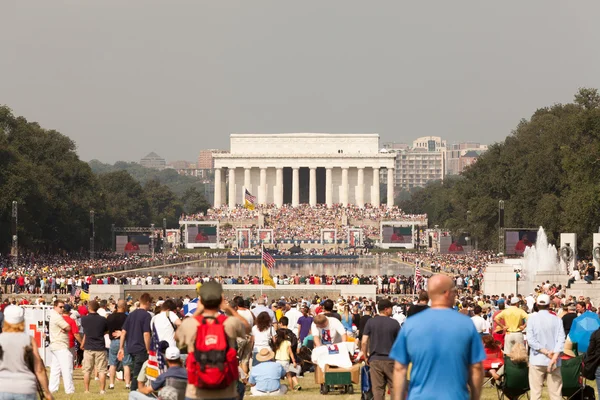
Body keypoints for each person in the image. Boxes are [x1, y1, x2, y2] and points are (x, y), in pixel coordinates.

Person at [390, 275, 485, 400]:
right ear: (447, 293)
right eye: (454, 292)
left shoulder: (411, 325)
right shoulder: (466, 324)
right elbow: (476, 368)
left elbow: (399, 368)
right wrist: (475, 397)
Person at [175, 281, 250, 400]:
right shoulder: (229, 323)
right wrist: (228, 308)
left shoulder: (192, 324)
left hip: (196, 391)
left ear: (201, 301)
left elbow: (177, 337)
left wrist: (198, 310)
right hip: (225, 390)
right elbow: (247, 326)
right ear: (220, 299)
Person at [0, 305, 53, 400]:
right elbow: (39, 369)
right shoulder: (29, 340)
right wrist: (47, 392)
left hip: (3, 386)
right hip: (25, 386)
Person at [526, 294, 565, 400]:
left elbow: (531, 341)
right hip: (554, 359)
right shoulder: (557, 320)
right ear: (549, 305)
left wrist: (546, 352)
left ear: (537, 305)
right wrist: (554, 355)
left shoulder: (532, 319)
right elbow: (561, 340)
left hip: (537, 359)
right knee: (556, 394)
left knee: (535, 394)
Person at [361, 299, 400, 400]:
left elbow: (364, 341)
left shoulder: (370, 322)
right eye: (391, 308)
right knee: (394, 388)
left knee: (378, 389)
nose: (392, 311)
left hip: (375, 359)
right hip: (391, 359)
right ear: (386, 309)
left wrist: (365, 357)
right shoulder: (394, 323)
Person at [119, 293, 152, 391]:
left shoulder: (131, 315)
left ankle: (137, 389)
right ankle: (134, 390)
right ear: (147, 302)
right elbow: (146, 334)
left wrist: (121, 347)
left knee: (135, 369)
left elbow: (123, 332)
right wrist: (148, 349)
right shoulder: (146, 315)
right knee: (139, 372)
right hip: (141, 347)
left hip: (130, 347)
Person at [81, 300, 109, 394]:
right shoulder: (103, 320)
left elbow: (85, 331)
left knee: (87, 370)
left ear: (89, 308)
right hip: (100, 346)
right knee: (102, 370)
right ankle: (102, 389)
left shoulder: (84, 319)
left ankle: (86, 389)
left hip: (88, 346)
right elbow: (106, 331)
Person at [48, 299, 74, 395]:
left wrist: (65, 328)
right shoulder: (57, 317)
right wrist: (66, 329)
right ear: (55, 307)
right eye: (60, 307)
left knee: (55, 369)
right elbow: (68, 327)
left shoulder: (55, 315)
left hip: (56, 345)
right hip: (60, 345)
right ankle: (69, 390)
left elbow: (66, 327)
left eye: (63, 307)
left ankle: (52, 388)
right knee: (67, 368)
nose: (62, 309)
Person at [107, 299, 132, 390]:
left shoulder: (110, 317)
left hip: (113, 341)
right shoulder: (128, 317)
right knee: (126, 364)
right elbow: (130, 330)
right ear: (125, 307)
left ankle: (111, 384)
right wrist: (122, 333)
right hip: (125, 342)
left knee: (112, 363)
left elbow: (107, 329)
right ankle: (127, 384)